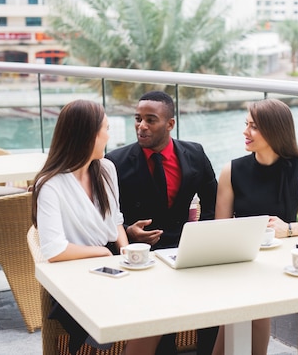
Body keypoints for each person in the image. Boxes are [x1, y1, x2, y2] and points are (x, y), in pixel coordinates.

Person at [212, 98, 298, 355]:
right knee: (238, 319)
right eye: (246, 124)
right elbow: (221, 231)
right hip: (243, 263)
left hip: (282, 267)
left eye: (253, 126)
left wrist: (289, 230)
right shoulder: (232, 170)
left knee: (251, 312)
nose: (245, 132)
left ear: (274, 131)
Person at [31, 99, 154, 355]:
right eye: (106, 129)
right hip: (74, 276)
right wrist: (102, 253)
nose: (109, 136)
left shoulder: (106, 169)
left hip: (112, 267)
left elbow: (116, 220)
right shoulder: (50, 185)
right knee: (145, 314)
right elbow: (54, 250)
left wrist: (126, 251)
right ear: (88, 136)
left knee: (159, 308)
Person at [105, 90, 219, 355]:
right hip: (142, 253)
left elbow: (212, 200)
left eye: (150, 120)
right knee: (159, 311)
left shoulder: (195, 153)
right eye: (137, 119)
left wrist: (203, 234)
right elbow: (109, 216)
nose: (141, 126)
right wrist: (130, 233)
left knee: (213, 302)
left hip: (186, 248)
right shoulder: (115, 162)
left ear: (170, 124)